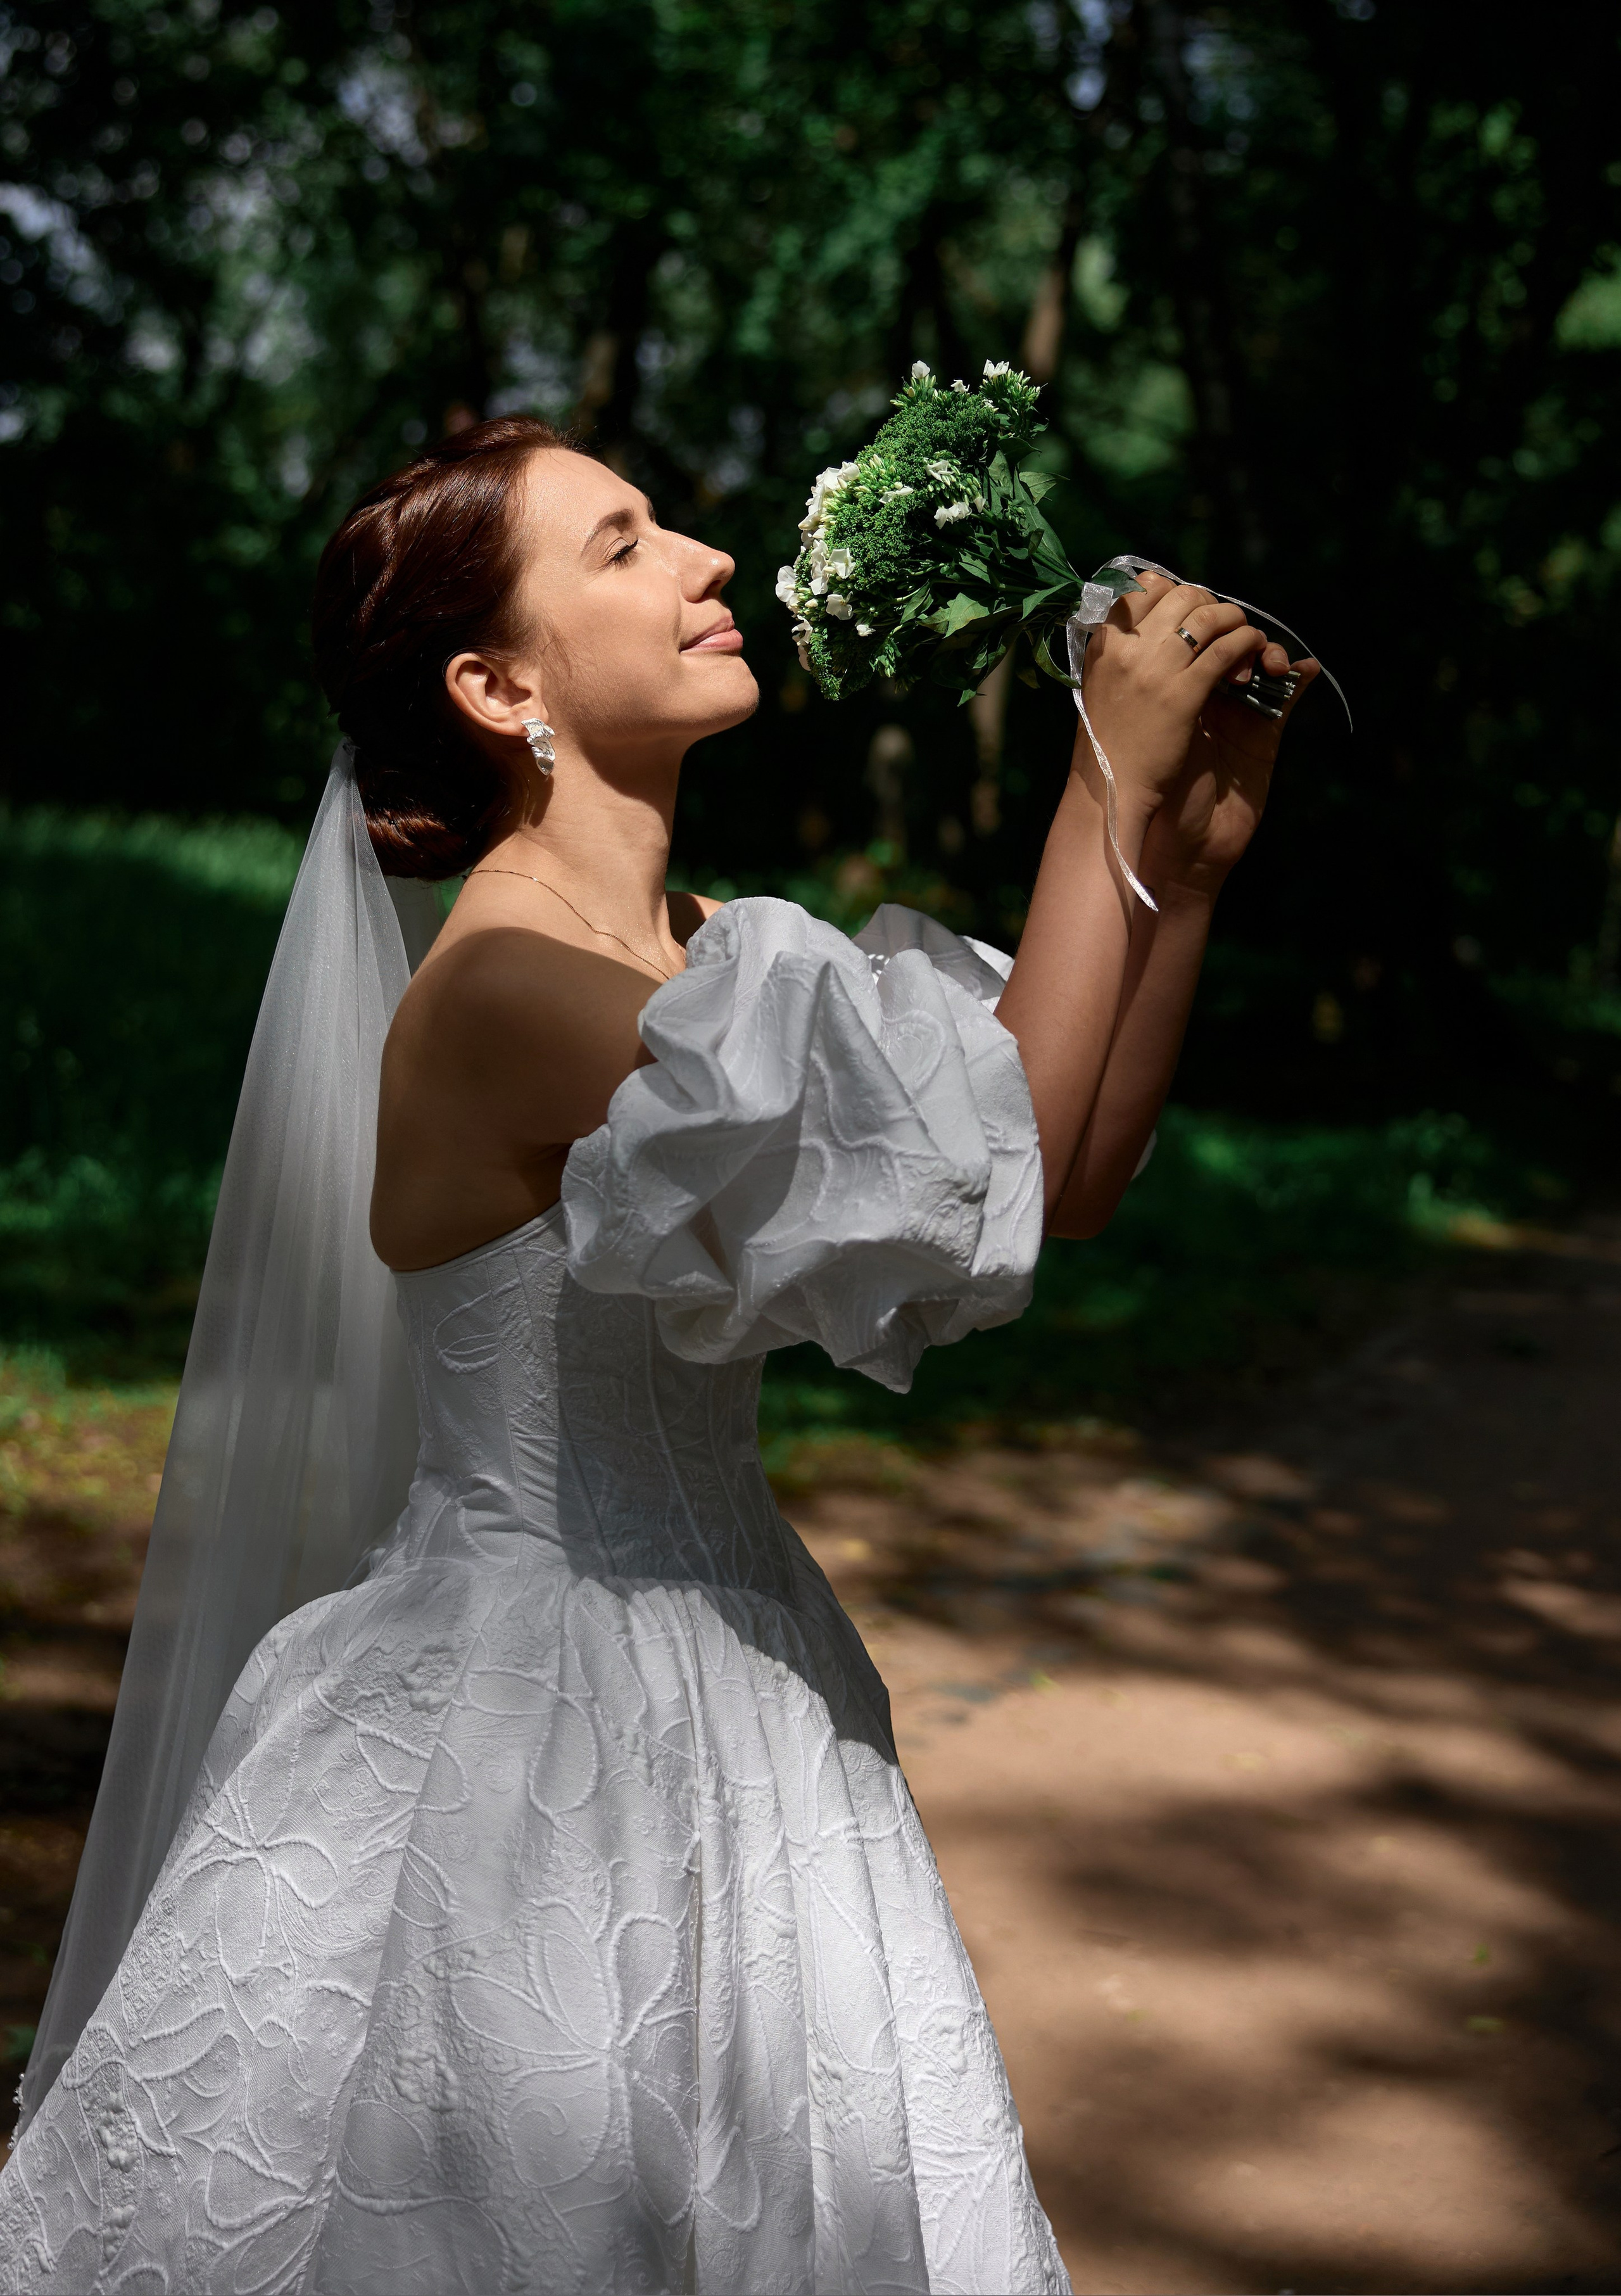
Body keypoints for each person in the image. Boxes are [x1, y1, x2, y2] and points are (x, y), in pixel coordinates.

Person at [0, 414, 1315, 2293]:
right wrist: (1098, 778)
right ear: (498, 682)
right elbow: (999, 1141)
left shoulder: (717, 957)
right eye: (622, 543)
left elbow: (1059, 1174)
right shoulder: (511, 988)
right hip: (523, 1728)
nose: (704, 555)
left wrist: (1179, 869)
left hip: (750, 1682)